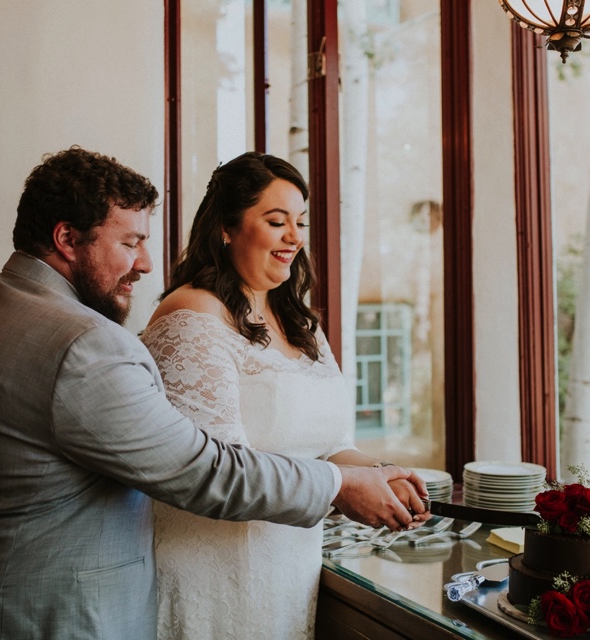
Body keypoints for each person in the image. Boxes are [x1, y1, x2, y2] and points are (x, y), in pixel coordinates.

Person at [0, 146, 425, 640]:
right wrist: (337, 485)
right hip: (44, 615)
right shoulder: (84, 344)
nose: (147, 263)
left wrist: (367, 473)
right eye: (129, 243)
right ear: (66, 238)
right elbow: (203, 472)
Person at [141, 151, 429, 640]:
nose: (295, 236)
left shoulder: (304, 326)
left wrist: (384, 478)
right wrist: (344, 487)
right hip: (211, 569)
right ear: (227, 228)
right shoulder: (191, 313)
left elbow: (334, 443)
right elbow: (217, 472)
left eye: (300, 221)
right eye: (277, 222)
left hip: (291, 569)